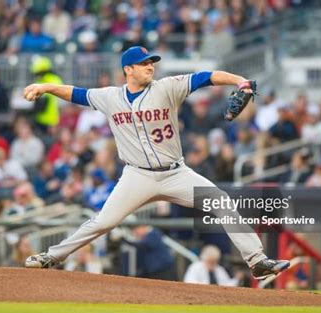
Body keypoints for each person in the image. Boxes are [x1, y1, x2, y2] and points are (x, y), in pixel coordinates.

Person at [23, 46, 289, 279]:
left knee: (220, 201)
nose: (151, 66)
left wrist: (240, 80)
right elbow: (76, 93)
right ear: (128, 69)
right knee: (103, 222)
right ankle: (52, 257)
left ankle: (257, 261)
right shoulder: (110, 97)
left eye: (152, 62)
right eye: (144, 63)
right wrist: (46, 87)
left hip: (176, 173)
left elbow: (206, 77)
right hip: (137, 176)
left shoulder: (167, 87)